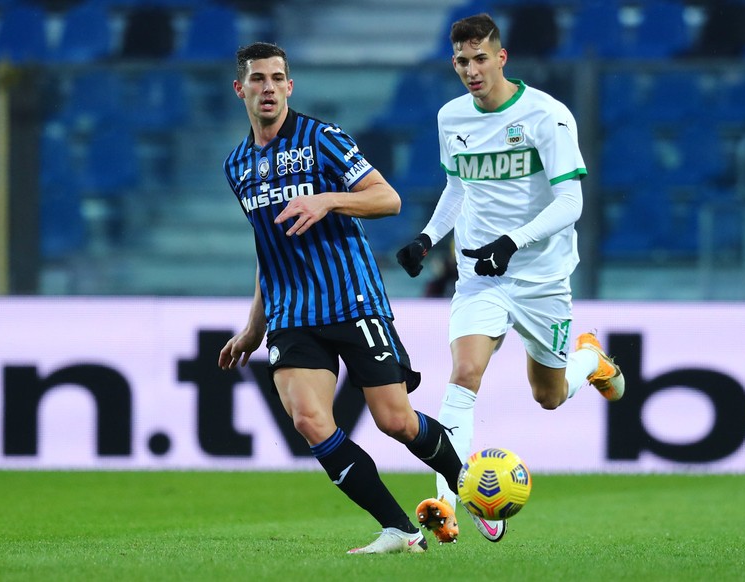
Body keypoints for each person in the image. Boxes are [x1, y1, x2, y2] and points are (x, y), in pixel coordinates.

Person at [217, 42, 465, 554]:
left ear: (290, 86)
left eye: (277, 78)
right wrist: (253, 326)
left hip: (353, 300)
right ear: (240, 89)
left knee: (394, 419)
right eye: (258, 79)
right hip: (291, 313)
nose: (268, 87)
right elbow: (268, 246)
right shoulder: (238, 165)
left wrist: (327, 199)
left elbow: (388, 199)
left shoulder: (322, 139)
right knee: (309, 420)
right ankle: (400, 529)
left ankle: (470, 486)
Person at [396, 13, 626, 544]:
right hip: (480, 272)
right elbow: (458, 188)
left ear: (501, 58)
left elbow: (572, 200)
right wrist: (427, 238)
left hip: (541, 277)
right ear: (452, 63)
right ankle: (454, 499)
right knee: (464, 374)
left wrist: (514, 241)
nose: (471, 70)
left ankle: (589, 357)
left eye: (480, 59)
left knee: (547, 395)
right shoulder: (451, 117)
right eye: (461, 61)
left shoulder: (547, 115)